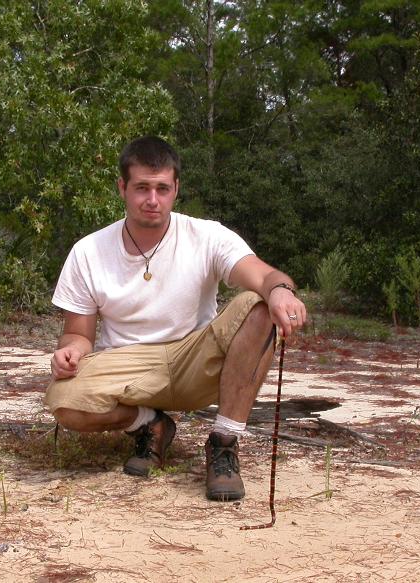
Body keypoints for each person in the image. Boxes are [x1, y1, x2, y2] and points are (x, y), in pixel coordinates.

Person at [45, 136, 306, 501]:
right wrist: (70, 352)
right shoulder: (88, 251)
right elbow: (78, 334)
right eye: (142, 188)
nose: (153, 200)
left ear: (176, 189)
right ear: (122, 188)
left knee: (259, 305)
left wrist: (280, 291)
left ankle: (224, 442)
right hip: (128, 364)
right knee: (63, 399)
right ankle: (149, 425)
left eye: (162, 188)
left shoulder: (207, 235)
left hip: (195, 359)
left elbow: (263, 275)